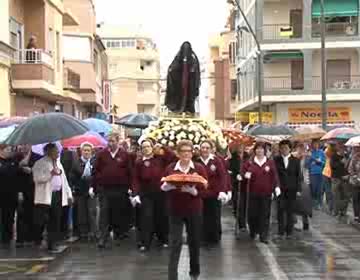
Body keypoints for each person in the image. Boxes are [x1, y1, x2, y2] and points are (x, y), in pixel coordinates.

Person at [162, 140, 207, 280]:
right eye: (183, 151)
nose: (186, 154)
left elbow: (206, 188)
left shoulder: (199, 168)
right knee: (175, 242)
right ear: (178, 153)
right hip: (175, 209)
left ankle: (194, 272)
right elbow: (164, 183)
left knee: (194, 241)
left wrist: (195, 192)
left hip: (194, 209)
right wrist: (166, 187)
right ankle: (172, 276)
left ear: (192, 153)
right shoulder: (170, 168)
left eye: (189, 151)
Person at [132, 140, 176, 252]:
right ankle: (145, 243)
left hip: (161, 192)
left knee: (162, 216)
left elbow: (173, 157)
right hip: (146, 194)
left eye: (148, 146)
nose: (146, 149)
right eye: (143, 147)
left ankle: (164, 240)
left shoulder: (160, 158)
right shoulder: (139, 163)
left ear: (152, 148)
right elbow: (135, 179)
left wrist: (163, 147)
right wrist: (135, 193)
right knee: (146, 217)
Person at [93, 133, 133, 249]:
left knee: (118, 212)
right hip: (105, 189)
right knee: (104, 213)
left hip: (120, 189)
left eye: (112, 141)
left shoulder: (125, 155)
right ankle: (103, 238)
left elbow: (130, 172)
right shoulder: (101, 154)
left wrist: (131, 187)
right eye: (109, 141)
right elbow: (96, 171)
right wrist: (95, 186)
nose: (110, 143)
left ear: (118, 141)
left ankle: (118, 234)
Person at [32, 143, 73, 252]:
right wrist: (50, 174)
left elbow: (64, 180)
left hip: (57, 194)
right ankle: (38, 240)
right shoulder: (39, 163)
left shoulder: (58, 163)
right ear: (48, 152)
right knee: (41, 220)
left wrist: (69, 194)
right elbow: (37, 178)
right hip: (45, 196)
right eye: (56, 151)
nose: (58, 153)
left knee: (55, 219)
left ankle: (52, 243)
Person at [241, 142, 280, 244]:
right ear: (255, 151)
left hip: (266, 193)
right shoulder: (249, 163)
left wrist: (276, 187)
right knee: (253, 214)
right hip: (253, 193)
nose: (259, 151)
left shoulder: (269, 163)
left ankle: (264, 235)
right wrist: (244, 176)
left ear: (265, 151)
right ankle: (253, 230)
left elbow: (274, 176)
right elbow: (242, 174)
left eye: (261, 149)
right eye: (257, 149)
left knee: (265, 214)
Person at [195, 140, 226, 246]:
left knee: (214, 216)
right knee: (201, 215)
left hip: (214, 194)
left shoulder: (216, 161)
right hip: (201, 193)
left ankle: (214, 237)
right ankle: (202, 236)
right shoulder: (196, 161)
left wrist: (222, 190)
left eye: (207, 148)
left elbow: (222, 176)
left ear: (211, 149)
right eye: (203, 147)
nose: (205, 150)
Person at [16, 145, 42, 248]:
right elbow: (13, 174)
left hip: (35, 190)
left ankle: (34, 238)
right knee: (22, 214)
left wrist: (31, 171)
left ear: (30, 145)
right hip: (21, 190)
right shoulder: (17, 158)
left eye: (26, 144)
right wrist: (19, 166)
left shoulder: (38, 157)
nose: (23, 147)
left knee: (35, 214)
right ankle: (21, 239)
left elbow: (41, 173)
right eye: (22, 144)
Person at [274, 140, 301, 239]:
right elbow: (274, 175)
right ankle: (280, 232)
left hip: (292, 189)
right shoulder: (276, 160)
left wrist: (298, 189)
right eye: (282, 148)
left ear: (290, 149)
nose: (284, 150)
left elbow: (298, 176)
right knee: (280, 210)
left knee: (290, 211)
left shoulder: (296, 160)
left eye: (286, 148)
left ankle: (289, 232)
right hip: (279, 189)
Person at [165, 41, 201, 114]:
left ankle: (189, 109)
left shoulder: (193, 58)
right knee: (178, 97)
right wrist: (171, 71)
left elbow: (197, 71)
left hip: (190, 85)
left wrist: (192, 72)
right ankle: (177, 108)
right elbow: (173, 68)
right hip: (179, 85)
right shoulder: (178, 57)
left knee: (189, 97)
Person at [71, 142, 97, 241]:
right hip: (80, 191)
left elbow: (96, 176)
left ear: (91, 151)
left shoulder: (94, 162)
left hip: (92, 192)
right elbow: (72, 177)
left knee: (92, 212)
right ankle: (83, 233)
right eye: (84, 150)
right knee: (81, 213)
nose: (86, 152)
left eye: (88, 150)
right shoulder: (76, 163)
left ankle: (93, 232)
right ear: (81, 151)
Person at [0, 145, 21, 249]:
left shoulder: (14, 161)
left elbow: (17, 174)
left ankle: (7, 238)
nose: (10, 151)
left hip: (12, 194)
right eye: (7, 149)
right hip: (2, 194)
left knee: (10, 217)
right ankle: (3, 237)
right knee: (2, 217)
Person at [229, 143, 250, 230]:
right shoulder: (232, 158)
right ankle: (241, 224)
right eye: (238, 146)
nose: (240, 148)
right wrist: (235, 176)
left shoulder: (248, 157)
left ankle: (246, 221)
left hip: (246, 185)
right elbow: (230, 171)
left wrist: (247, 174)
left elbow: (250, 168)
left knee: (246, 205)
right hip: (236, 185)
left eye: (241, 146)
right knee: (238, 204)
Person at [330, 142, 350, 218]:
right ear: (338, 148)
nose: (342, 150)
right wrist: (341, 162)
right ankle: (336, 211)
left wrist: (347, 174)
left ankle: (343, 211)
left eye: (343, 148)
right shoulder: (334, 156)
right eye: (340, 148)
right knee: (336, 196)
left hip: (345, 179)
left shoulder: (346, 156)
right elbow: (332, 166)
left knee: (345, 196)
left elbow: (348, 167)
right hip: (336, 178)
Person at [306, 139, 326, 210]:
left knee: (320, 189)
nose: (315, 145)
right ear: (312, 145)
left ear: (318, 144)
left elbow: (324, 163)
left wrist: (319, 162)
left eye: (316, 144)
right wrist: (310, 161)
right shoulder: (310, 153)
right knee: (313, 189)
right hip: (312, 173)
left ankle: (319, 204)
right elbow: (307, 165)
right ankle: (314, 203)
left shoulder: (322, 152)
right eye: (314, 144)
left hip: (320, 173)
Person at [348, 146, 360, 223]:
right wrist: (355, 176)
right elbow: (350, 169)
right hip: (355, 182)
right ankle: (356, 215)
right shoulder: (354, 158)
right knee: (355, 199)